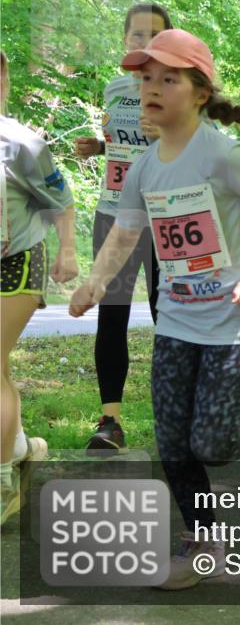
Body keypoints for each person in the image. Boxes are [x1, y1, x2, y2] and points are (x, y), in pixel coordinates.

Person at [68, 30, 240, 589]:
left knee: (212, 444)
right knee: (173, 444)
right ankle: (203, 544)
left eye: (168, 78)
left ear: (200, 92)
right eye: (145, 77)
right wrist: (94, 283)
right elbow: (127, 231)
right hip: (176, 319)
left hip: (232, 323)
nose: (151, 87)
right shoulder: (146, 165)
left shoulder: (222, 152)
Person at [73, 3, 172, 455]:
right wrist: (98, 145)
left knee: (166, 314)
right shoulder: (115, 87)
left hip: (165, 215)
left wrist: (164, 136)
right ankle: (110, 422)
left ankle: (175, 414)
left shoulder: (181, 87)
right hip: (114, 211)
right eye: (137, 35)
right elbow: (121, 142)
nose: (145, 42)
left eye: (155, 34)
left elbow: (196, 151)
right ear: (125, 40)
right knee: (111, 314)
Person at [1, 50, 77, 525]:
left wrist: (68, 250)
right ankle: (23, 447)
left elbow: (62, 199)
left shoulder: (19, 142)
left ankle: (3, 479)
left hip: (18, 262)